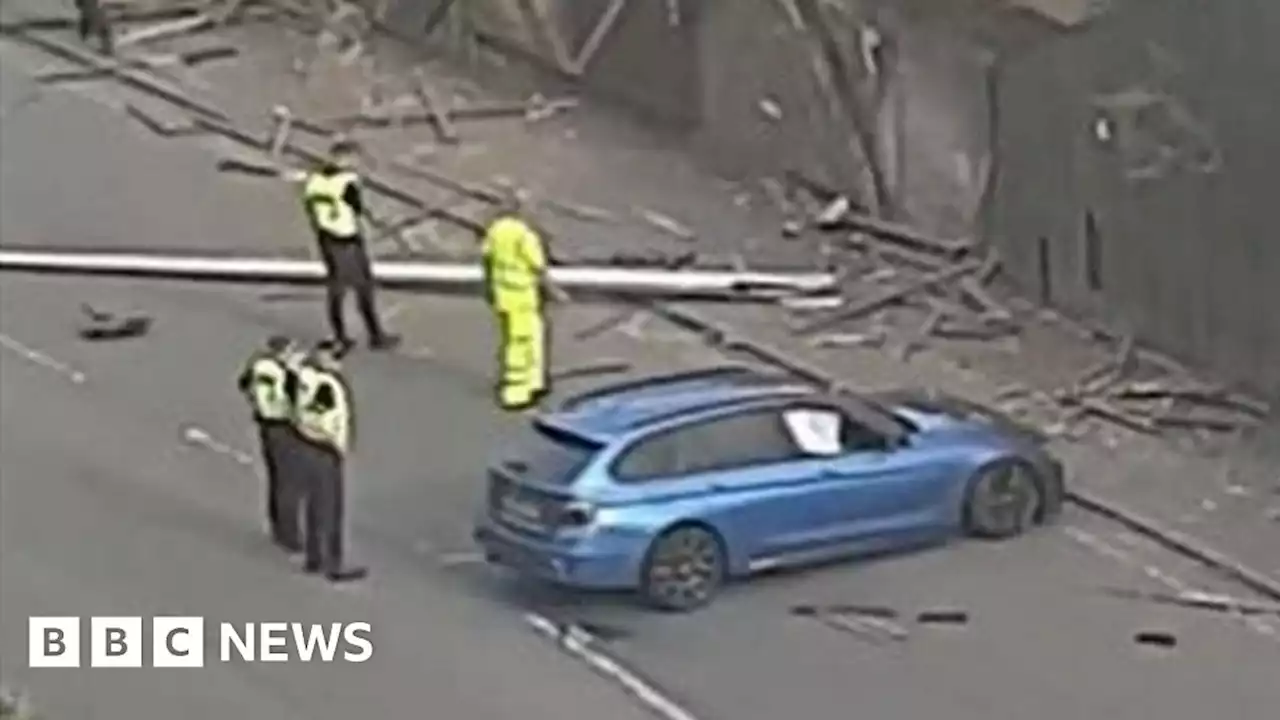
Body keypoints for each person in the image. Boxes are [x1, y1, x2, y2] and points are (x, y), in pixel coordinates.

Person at [301, 139, 400, 356]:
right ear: (343, 158)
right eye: (353, 159)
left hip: (326, 238)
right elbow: (357, 207)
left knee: (336, 287)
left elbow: (309, 207)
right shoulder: (347, 181)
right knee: (362, 286)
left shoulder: (314, 181)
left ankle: (340, 335)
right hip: (347, 238)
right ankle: (375, 335)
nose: (356, 164)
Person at [289, 344, 367, 582]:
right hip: (324, 448)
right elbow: (322, 417)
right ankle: (332, 562)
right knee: (329, 506)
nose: (339, 363)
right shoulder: (325, 386)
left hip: (306, 442)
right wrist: (336, 444)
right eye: (335, 358)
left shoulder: (304, 377)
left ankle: (314, 557)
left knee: (315, 503)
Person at [480, 191, 553, 411]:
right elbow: (537, 265)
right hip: (523, 295)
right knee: (523, 340)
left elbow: (486, 259)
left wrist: (489, 289)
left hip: (503, 294)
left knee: (524, 337)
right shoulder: (524, 235)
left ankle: (535, 380)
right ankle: (518, 390)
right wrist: (552, 289)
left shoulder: (495, 231)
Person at [237, 335, 305, 552]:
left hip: (265, 427)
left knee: (276, 478)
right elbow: (293, 396)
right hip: (281, 425)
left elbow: (243, 383)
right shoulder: (281, 373)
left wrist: (253, 400)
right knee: (288, 481)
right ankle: (290, 535)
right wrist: (293, 372)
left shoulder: (258, 365)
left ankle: (278, 526)